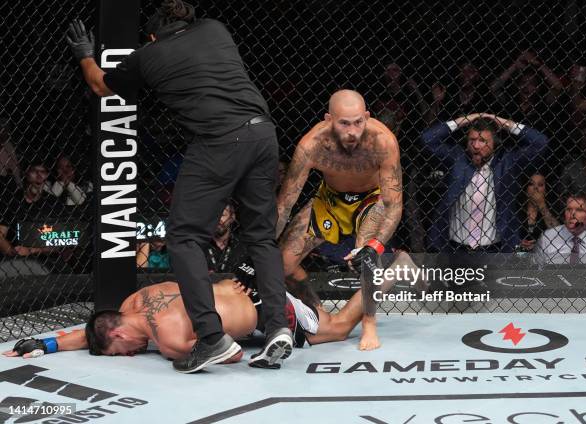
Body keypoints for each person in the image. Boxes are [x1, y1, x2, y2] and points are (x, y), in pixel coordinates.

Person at [66, 0, 291, 372]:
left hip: (220, 140)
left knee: (185, 237)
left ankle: (211, 337)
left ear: (153, 34)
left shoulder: (148, 55)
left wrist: (85, 54)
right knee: (261, 237)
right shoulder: (215, 28)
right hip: (263, 133)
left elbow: (100, 85)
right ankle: (278, 327)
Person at [4, 251, 418, 360]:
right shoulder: (133, 302)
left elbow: (230, 353)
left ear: (119, 333)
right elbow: (96, 331)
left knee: (334, 330)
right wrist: (49, 344)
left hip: (269, 308)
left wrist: (183, 352)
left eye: (120, 351)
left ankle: (393, 271)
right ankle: (300, 275)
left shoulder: (166, 339)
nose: (128, 355)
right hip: (241, 279)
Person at [276, 89, 402, 351]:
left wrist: (375, 245)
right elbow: (285, 204)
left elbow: (393, 204)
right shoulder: (311, 146)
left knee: (366, 251)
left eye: (359, 121)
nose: (353, 131)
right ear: (328, 120)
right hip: (330, 200)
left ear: (367, 116)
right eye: (344, 123)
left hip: (371, 198)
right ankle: (317, 312)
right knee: (282, 264)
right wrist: (259, 248)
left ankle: (369, 323)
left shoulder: (383, 142)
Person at [421, 113, 549, 253]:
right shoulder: (457, 159)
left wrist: (506, 123)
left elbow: (541, 143)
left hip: (494, 250)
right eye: (472, 140)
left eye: (482, 141)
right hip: (455, 248)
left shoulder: (507, 163)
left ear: (494, 143)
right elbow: (427, 139)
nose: (476, 145)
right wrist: (462, 120)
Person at [533, 194, 586, 265]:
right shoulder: (547, 237)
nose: (572, 214)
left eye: (579, 210)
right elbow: (536, 271)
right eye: (569, 209)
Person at [518, 173, 559, 252]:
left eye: (540, 185)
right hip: (519, 255)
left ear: (546, 191)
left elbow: (557, 233)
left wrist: (541, 205)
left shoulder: (553, 209)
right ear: (526, 189)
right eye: (531, 184)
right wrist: (518, 243)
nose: (535, 187)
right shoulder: (517, 209)